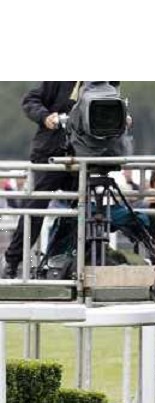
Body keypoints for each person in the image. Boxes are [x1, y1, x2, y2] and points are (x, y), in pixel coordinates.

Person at [2, 82, 78, 279]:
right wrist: (46, 116)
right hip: (51, 153)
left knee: (86, 210)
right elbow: (30, 100)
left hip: (82, 156)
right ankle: (12, 261)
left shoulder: (105, 84)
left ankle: (73, 257)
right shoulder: (59, 79)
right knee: (35, 209)